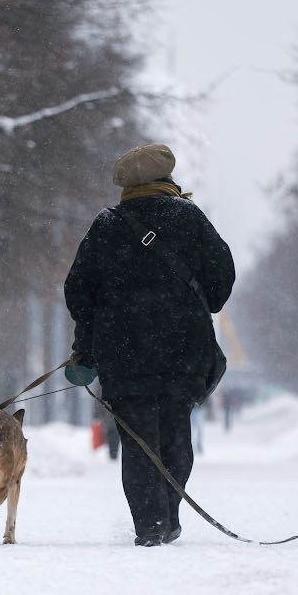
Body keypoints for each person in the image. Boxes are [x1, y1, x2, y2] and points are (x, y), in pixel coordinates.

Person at [63, 143, 235, 546]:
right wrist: (195, 302)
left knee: (137, 439)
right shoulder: (189, 218)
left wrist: (86, 345)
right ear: (166, 180)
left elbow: (78, 292)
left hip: (123, 354)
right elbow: (221, 278)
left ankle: (150, 524)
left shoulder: (107, 225)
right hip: (183, 350)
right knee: (175, 429)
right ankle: (170, 515)